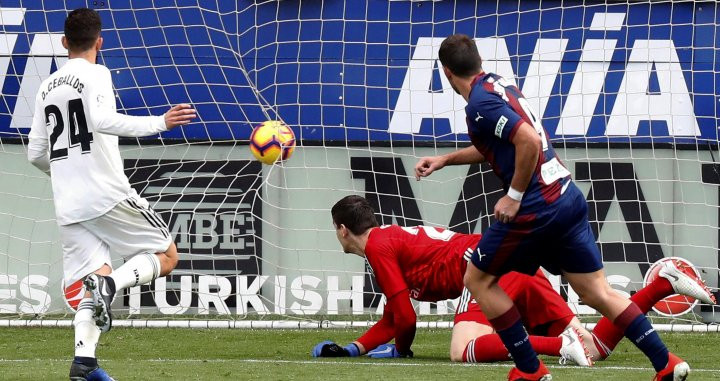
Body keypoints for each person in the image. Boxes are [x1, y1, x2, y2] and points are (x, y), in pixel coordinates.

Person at [414, 33, 701, 380]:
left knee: (478, 278)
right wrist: (446, 159)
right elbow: (506, 141)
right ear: (479, 61)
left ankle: (531, 370)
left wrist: (515, 195)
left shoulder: (479, 104)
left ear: (445, 72)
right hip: (565, 196)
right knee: (597, 292)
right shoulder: (497, 84)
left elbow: (528, 140)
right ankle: (666, 363)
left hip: (536, 207)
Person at [311, 196, 715, 367]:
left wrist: (401, 352)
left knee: (461, 350)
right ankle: (660, 284)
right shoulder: (389, 241)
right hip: (517, 265)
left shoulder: (379, 247)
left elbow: (405, 318)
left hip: (485, 269)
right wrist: (354, 349)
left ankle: (558, 345)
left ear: (343, 230)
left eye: (334, 231)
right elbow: (394, 316)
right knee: (593, 349)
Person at [27, 8, 196, 381]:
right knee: (166, 256)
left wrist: (66, 171)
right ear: (99, 43)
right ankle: (109, 286)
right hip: (106, 193)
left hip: (69, 203)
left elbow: (35, 153)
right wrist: (160, 122)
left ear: (64, 43)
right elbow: (102, 121)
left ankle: (83, 363)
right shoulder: (96, 72)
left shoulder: (46, 86)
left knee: (94, 276)